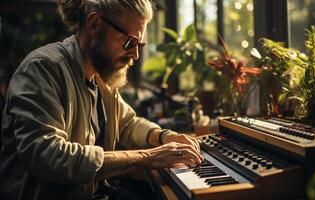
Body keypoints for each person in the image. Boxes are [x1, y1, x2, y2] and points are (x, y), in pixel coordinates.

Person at [0, 0, 203, 199]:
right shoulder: (43, 69)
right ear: (94, 23)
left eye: (139, 45)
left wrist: (163, 136)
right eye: (130, 42)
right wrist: (147, 157)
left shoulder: (102, 77)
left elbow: (128, 124)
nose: (135, 55)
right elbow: (48, 157)